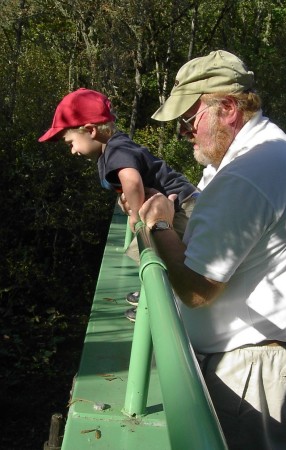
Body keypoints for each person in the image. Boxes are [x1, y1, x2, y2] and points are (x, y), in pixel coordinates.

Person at [134, 50, 286, 449]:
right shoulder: (257, 151)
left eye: (190, 119)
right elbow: (218, 236)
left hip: (257, 364)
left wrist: (158, 224)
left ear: (228, 108)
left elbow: (197, 290)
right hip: (261, 354)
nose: (183, 132)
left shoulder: (247, 172)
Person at [38, 88, 198, 321]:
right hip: (174, 203)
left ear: (90, 131)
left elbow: (132, 180)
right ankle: (153, 296)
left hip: (181, 204)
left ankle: (163, 304)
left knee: (157, 251)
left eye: (70, 142)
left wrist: (135, 215)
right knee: (143, 251)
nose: (72, 150)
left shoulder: (115, 148)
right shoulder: (113, 148)